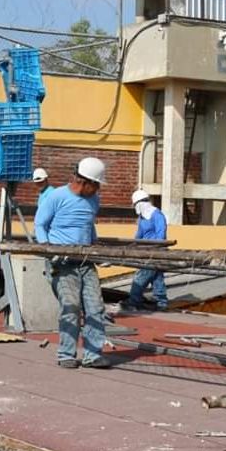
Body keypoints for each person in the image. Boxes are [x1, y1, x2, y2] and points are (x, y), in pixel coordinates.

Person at [35, 156, 111, 369]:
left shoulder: (93, 200)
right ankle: (66, 354)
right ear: (84, 182)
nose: (98, 189)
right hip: (62, 263)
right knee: (71, 307)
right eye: (96, 185)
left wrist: (96, 246)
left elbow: (88, 224)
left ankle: (92, 355)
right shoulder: (56, 196)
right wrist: (48, 250)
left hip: (85, 261)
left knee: (95, 307)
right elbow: (40, 225)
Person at [123, 189, 168, 311]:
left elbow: (161, 235)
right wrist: (131, 246)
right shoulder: (142, 218)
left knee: (141, 277)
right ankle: (161, 302)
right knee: (156, 278)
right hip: (144, 252)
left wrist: (155, 249)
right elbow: (139, 235)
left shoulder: (157, 215)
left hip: (155, 253)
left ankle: (134, 301)